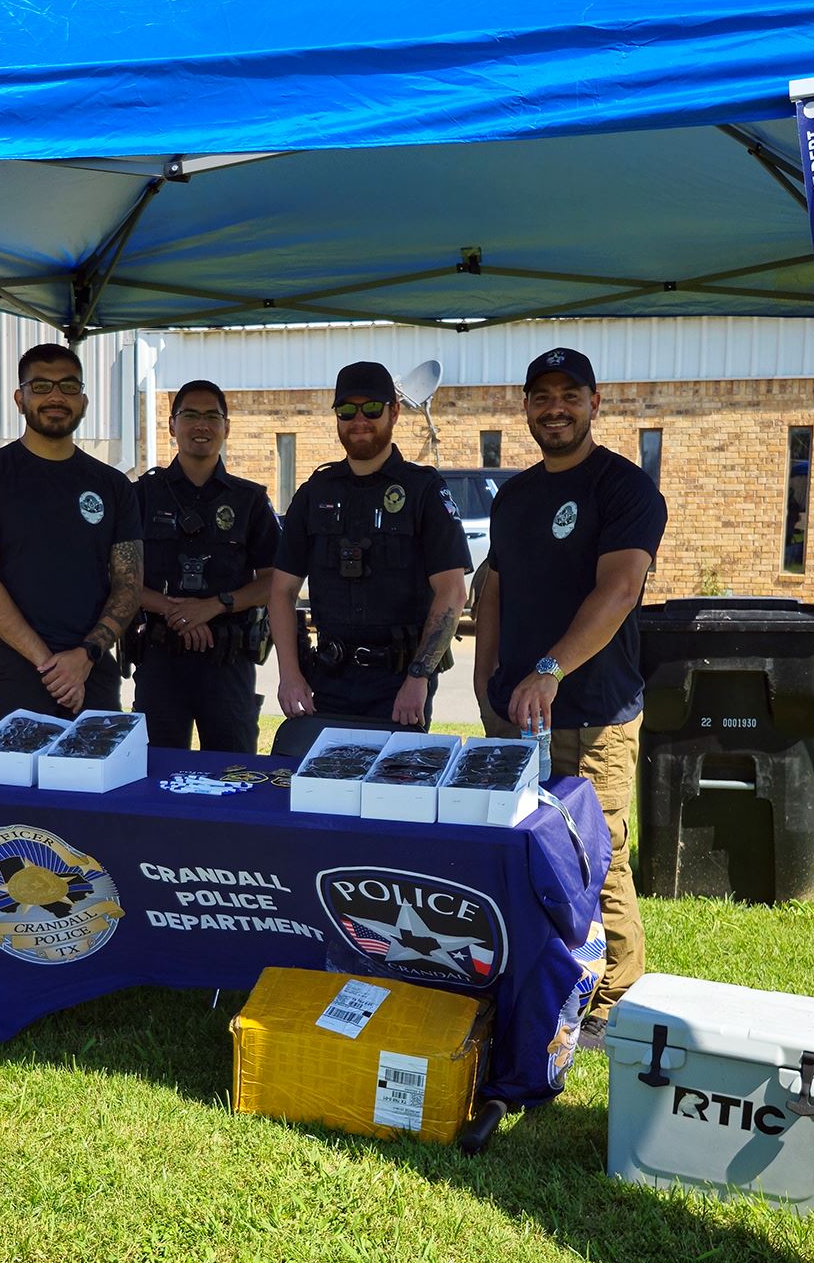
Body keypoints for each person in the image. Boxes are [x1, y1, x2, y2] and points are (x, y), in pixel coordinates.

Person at [474, 346, 666, 1034]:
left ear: (595, 402)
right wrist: (485, 678)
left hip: (593, 717)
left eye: (569, 395)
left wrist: (549, 670)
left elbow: (618, 590)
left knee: (597, 858)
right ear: (525, 406)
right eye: (541, 396)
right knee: (527, 852)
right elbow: (492, 588)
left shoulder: (624, 489)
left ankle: (612, 1009)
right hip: (517, 715)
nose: (555, 408)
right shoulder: (517, 497)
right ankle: (542, 975)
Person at [269, 361, 470, 729]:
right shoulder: (314, 494)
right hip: (326, 680)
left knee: (394, 786)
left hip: (399, 686)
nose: (359, 419)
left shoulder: (422, 490)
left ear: (394, 411)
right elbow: (281, 591)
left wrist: (419, 677)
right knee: (322, 786)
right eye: (347, 410)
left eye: (372, 408)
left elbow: (452, 592)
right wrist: (289, 674)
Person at [0, 343, 142, 717]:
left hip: (93, 672)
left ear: (84, 401)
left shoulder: (113, 486)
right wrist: (52, 667)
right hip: (13, 673)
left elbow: (129, 584)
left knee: (92, 775)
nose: (56, 396)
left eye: (69, 387)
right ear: (19, 398)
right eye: (41, 386)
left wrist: (85, 656)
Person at [131, 381, 279, 753]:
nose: (202, 426)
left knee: (232, 774)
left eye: (212, 416)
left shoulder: (250, 501)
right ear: (171, 425)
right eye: (191, 416)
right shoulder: (142, 496)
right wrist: (177, 612)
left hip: (227, 664)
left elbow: (274, 581)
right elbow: (118, 576)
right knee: (154, 771)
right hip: (159, 660)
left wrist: (214, 605)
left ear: (226, 427)